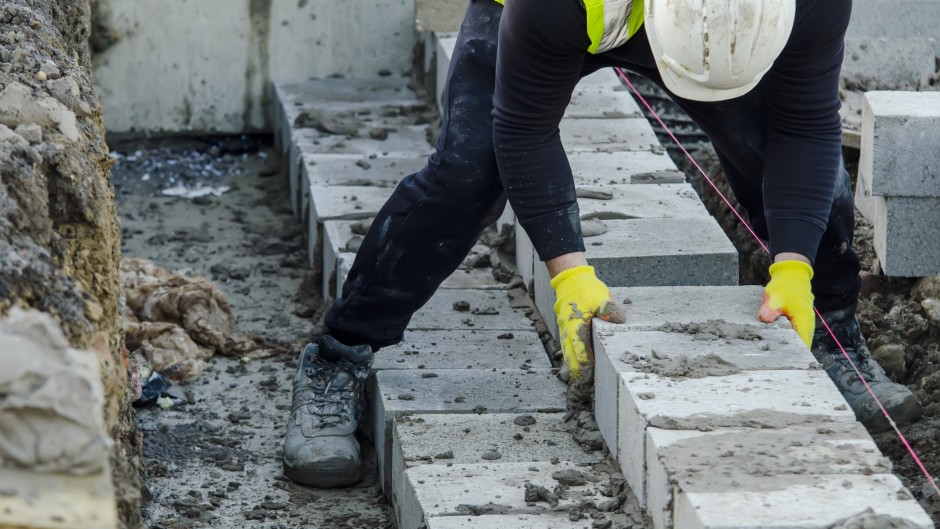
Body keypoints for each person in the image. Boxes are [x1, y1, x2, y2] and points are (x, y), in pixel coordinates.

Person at [281, 0, 923, 488]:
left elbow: (807, 126)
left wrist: (793, 268)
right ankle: (339, 355)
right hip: (555, 18)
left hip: (717, 29)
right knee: (466, 172)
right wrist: (570, 276)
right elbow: (524, 128)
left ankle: (836, 335)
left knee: (785, 156)